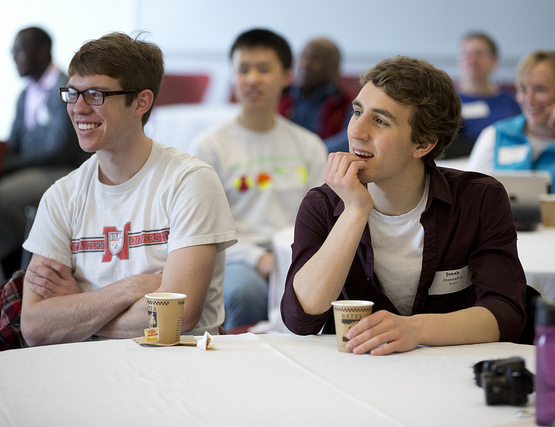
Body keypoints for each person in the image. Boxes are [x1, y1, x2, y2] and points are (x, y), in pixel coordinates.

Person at [281, 56, 527, 356]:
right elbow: (300, 318)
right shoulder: (323, 204)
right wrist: (355, 211)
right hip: (357, 374)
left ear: (423, 144)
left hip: (450, 373)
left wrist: (415, 329)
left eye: (380, 121)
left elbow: (506, 312)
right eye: (357, 112)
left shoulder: (480, 200)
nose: (357, 131)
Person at [20, 32, 237, 346]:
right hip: (86, 370)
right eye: (72, 92)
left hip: (179, 368)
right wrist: (134, 287)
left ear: (142, 101)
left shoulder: (190, 181)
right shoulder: (60, 195)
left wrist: (79, 306)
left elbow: (178, 315)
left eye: (96, 94)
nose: (78, 108)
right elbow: (35, 327)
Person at [190, 29, 327, 330]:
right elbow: (205, 228)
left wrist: (293, 257)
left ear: (287, 76)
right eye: (243, 69)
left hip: (297, 252)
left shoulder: (308, 145)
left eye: (263, 69)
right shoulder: (209, 146)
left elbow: (323, 218)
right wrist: (260, 259)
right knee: (247, 294)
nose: (252, 79)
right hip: (237, 256)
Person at [468, 50, 555, 218]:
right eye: (522, 89)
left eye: (540, 89)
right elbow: (470, 202)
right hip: (503, 239)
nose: (529, 99)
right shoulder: (494, 136)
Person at [0, 27, 87, 275]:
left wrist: (11, 166)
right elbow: (14, 145)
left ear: (42, 51)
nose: (13, 57)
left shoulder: (65, 88)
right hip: (31, 171)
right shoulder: (24, 94)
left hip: (61, 169)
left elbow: (58, 150)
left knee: (3, 199)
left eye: (19, 50)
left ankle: (25, 264)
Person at [446, 32, 520, 158]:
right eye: (465, 54)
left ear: (494, 61)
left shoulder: (512, 101)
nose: (472, 60)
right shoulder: (447, 101)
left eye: (479, 54)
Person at [277, 37, 354, 153]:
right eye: (303, 56)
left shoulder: (347, 104)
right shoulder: (281, 95)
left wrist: (311, 154)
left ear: (334, 68)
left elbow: (350, 140)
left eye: (315, 58)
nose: (305, 64)